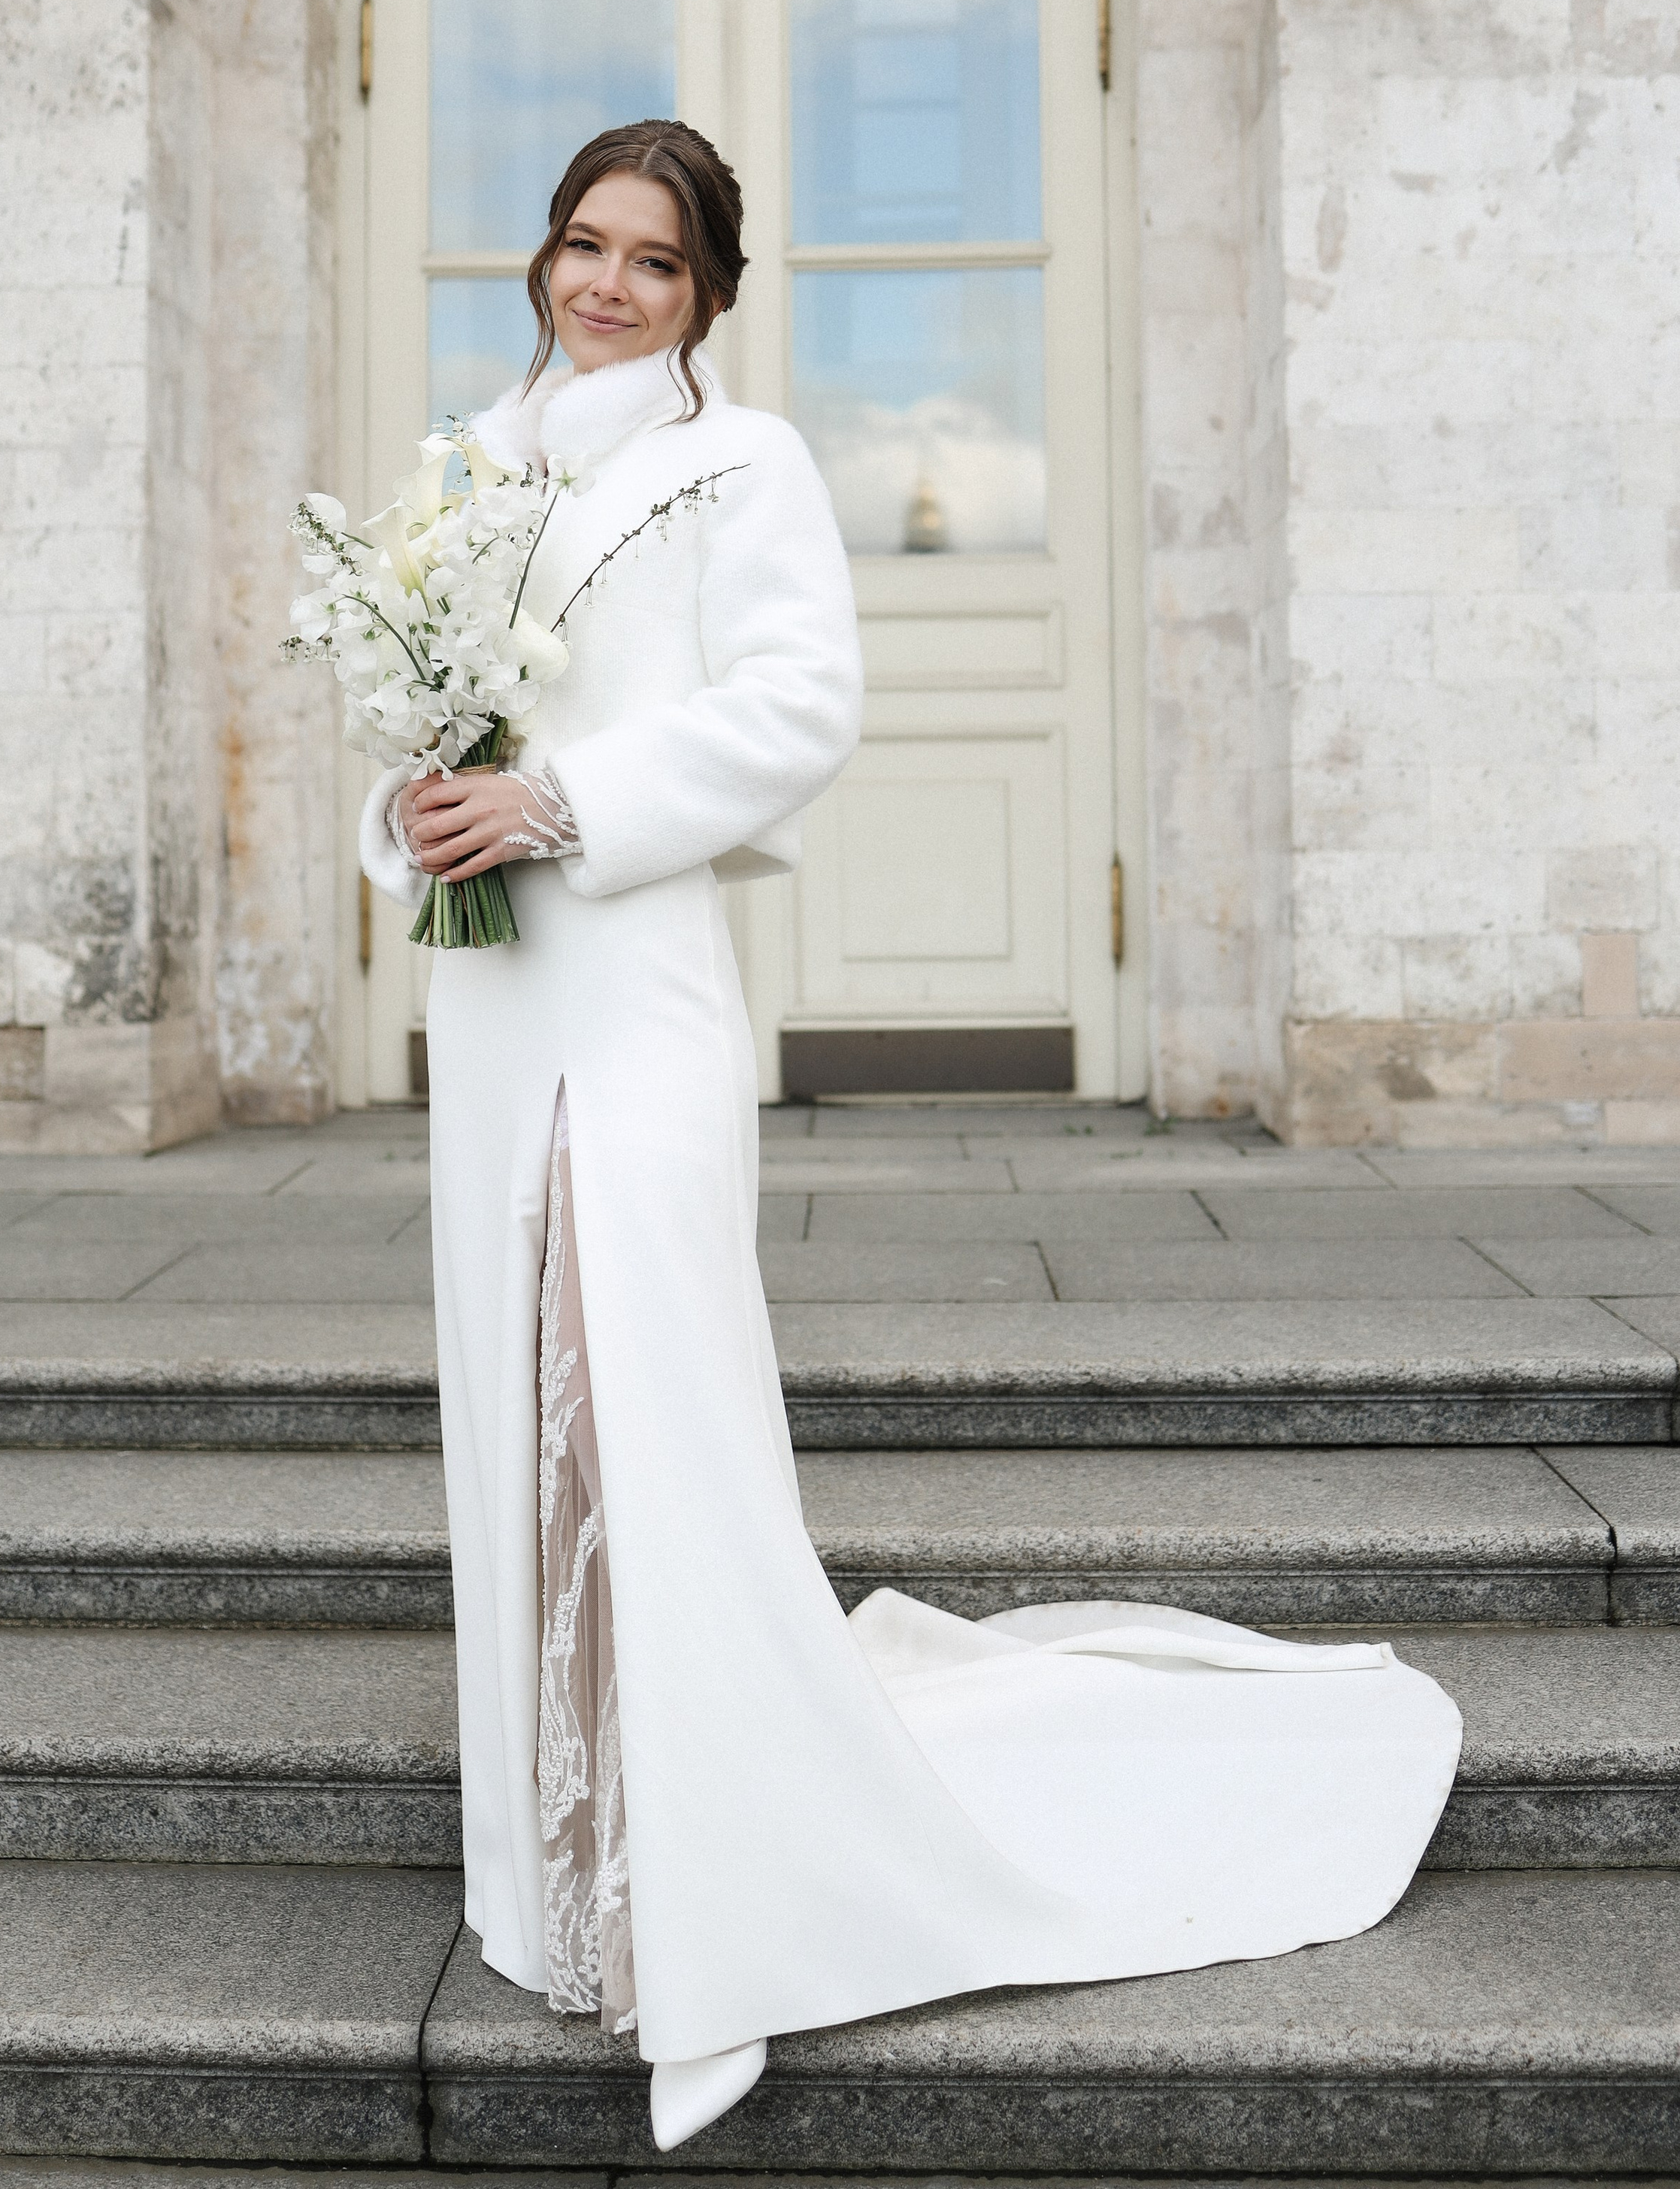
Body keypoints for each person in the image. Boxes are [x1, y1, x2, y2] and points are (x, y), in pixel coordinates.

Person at [359, 119, 1461, 2151]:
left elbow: (799, 703)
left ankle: (722, 1874)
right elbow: (419, 740)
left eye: (654, 262)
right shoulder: (473, 466)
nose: (605, 282)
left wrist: (568, 807)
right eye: (582, 244)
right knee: (521, 1414)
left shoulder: (738, 464)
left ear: (708, 296)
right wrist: (421, 814)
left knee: (648, 1400)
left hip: (640, 984)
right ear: (545, 256)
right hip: (497, 1003)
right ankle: (557, 1869)